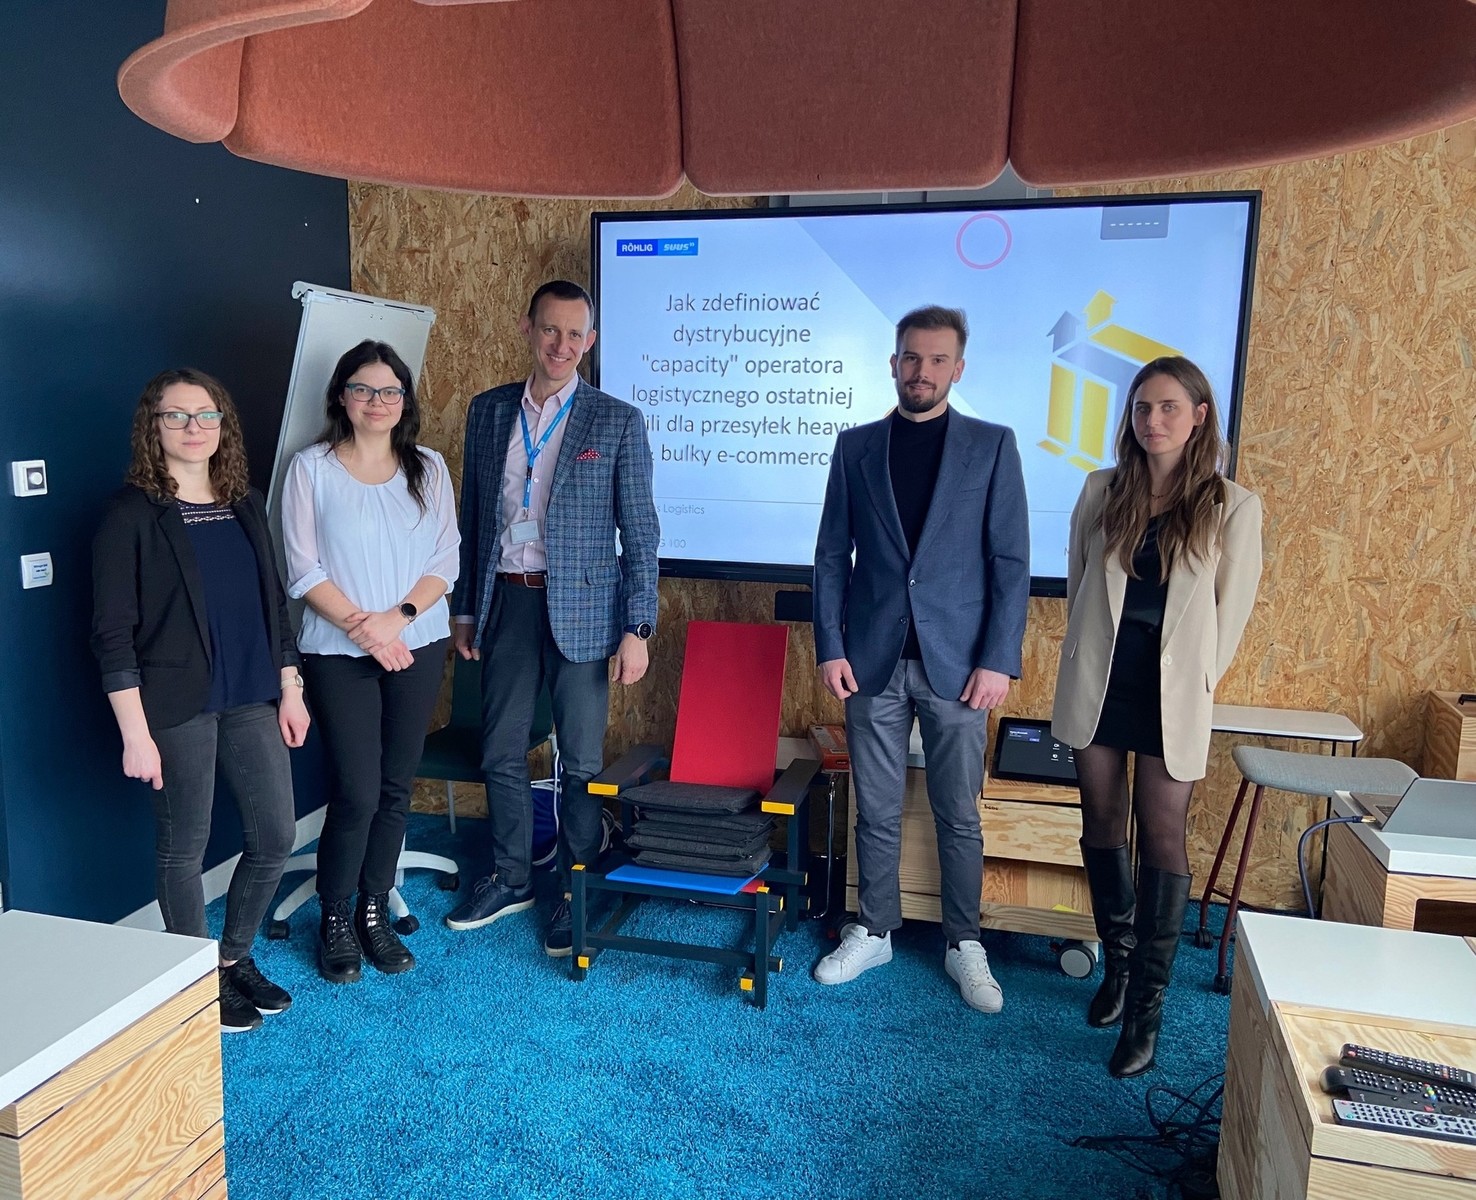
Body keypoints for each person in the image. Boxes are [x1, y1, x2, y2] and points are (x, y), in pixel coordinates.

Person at [812, 305, 1030, 1012]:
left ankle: (964, 941)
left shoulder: (992, 446)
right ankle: (874, 928)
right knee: (874, 810)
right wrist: (830, 646)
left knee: (957, 813)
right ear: (893, 363)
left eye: (937, 360)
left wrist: (998, 659)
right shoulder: (856, 447)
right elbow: (830, 557)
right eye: (911, 357)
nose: (922, 371)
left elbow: (1009, 562)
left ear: (957, 369)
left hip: (960, 668)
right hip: (870, 663)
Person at [1052, 355, 1262, 1078]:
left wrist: (1195, 684)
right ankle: (1117, 966)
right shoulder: (1101, 489)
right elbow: (1081, 583)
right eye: (1143, 407)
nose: (1153, 420)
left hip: (1170, 691)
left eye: (1169, 407)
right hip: (1101, 682)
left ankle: (1147, 1008)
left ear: (1199, 416)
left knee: (1164, 835)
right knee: (1101, 823)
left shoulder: (1233, 506)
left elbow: (1229, 615)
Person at [444, 279, 659, 957]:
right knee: (500, 749)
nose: (560, 345)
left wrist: (638, 627)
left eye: (574, 334)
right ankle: (512, 876)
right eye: (549, 330)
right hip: (507, 601)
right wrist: (465, 606)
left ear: (589, 341)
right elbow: (473, 517)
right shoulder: (487, 412)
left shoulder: (616, 421)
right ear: (527, 328)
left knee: (582, 760)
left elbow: (641, 532)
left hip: (587, 611)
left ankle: (575, 886)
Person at [92, 368, 309, 1034]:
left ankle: (231, 956)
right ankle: (194, 982)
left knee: (275, 835)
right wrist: (135, 734)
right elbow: (112, 635)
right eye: (177, 416)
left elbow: (273, 606)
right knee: (183, 847)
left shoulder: (245, 502)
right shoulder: (130, 514)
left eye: (206, 415)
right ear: (152, 426)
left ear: (223, 426)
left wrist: (291, 687)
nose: (193, 427)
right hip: (175, 705)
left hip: (251, 693)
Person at [281, 341, 460, 984]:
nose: (377, 401)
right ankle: (335, 914)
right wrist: (367, 629)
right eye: (363, 389)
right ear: (342, 396)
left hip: (417, 641)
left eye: (390, 391)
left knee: (394, 787)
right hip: (338, 652)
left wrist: (397, 620)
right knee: (356, 789)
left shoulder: (429, 468)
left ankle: (374, 908)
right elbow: (302, 568)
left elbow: (445, 559)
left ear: (404, 401)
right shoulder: (312, 468)